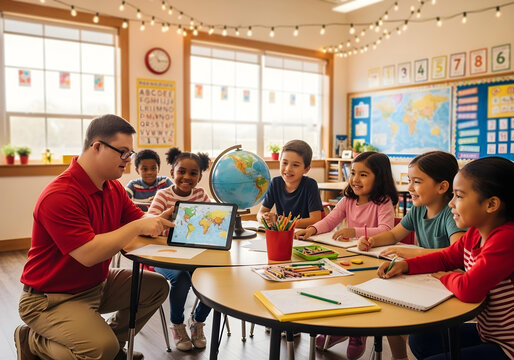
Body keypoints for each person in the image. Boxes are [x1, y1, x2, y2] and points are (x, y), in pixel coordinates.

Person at [14, 114, 173, 360]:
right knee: (100, 349)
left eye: (130, 154)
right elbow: (88, 254)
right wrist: (137, 228)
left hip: (95, 284)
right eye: (122, 153)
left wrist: (160, 221)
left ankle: (113, 348)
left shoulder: (113, 187)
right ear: (97, 146)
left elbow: (138, 222)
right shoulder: (60, 195)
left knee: (156, 287)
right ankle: (33, 342)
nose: (128, 162)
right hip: (49, 298)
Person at [379, 156, 514, 360]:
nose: (451, 203)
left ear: (491, 204)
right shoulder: (475, 234)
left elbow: (469, 290)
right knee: (421, 340)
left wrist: (445, 277)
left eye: (459, 196)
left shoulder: (506, 238)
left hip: (508, 346)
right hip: (488, 333)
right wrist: (406, 265)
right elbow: (445, 258)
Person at [357, 150, 467, 360]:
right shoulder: (418, 209)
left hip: (447, 284)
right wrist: (373, 241)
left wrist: (412, 253)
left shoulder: (451, 214)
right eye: (409, 180)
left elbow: (457, 253)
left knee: (410, 327)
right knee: (391, 315)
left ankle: (418, 352)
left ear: (442, 187)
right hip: (424, 277)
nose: (409, 188)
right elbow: (393, 234)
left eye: (416, 181)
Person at [295, 151, 398, 359]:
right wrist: (313, 230)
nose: (355, 179)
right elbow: (330, 220)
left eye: (363, 174)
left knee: (360, 293)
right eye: (353, 173)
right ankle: (337, 329)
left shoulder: (383, 201)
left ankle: (357, 334)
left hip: (373, 259)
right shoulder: (348, 199)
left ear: (380, 177)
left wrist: (355, 232)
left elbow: (387, 229)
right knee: (339, 290)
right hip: (349, 256)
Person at [147, 147, 211, 352]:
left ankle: (198, 321)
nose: (186, 177)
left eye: (193, 173)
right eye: (181, 171)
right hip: (164, 255)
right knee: (181, 279)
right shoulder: (162, 195)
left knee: (214, 277)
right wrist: (170, 214)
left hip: (194, 253)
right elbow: (150, 226)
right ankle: (177, 325)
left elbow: (209, 221)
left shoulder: (201, 194)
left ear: (200, 176)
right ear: (172, 171)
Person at [257, 139, 323, 229]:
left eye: (295, 165)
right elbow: (260, 213)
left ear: (306, 169)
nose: (288, 169)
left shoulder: (310, 185)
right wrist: (264, 218)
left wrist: (283, 222)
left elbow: (315, 219)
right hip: (282, 234)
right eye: (284, 163)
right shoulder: (275, 183)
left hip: (303, 234)